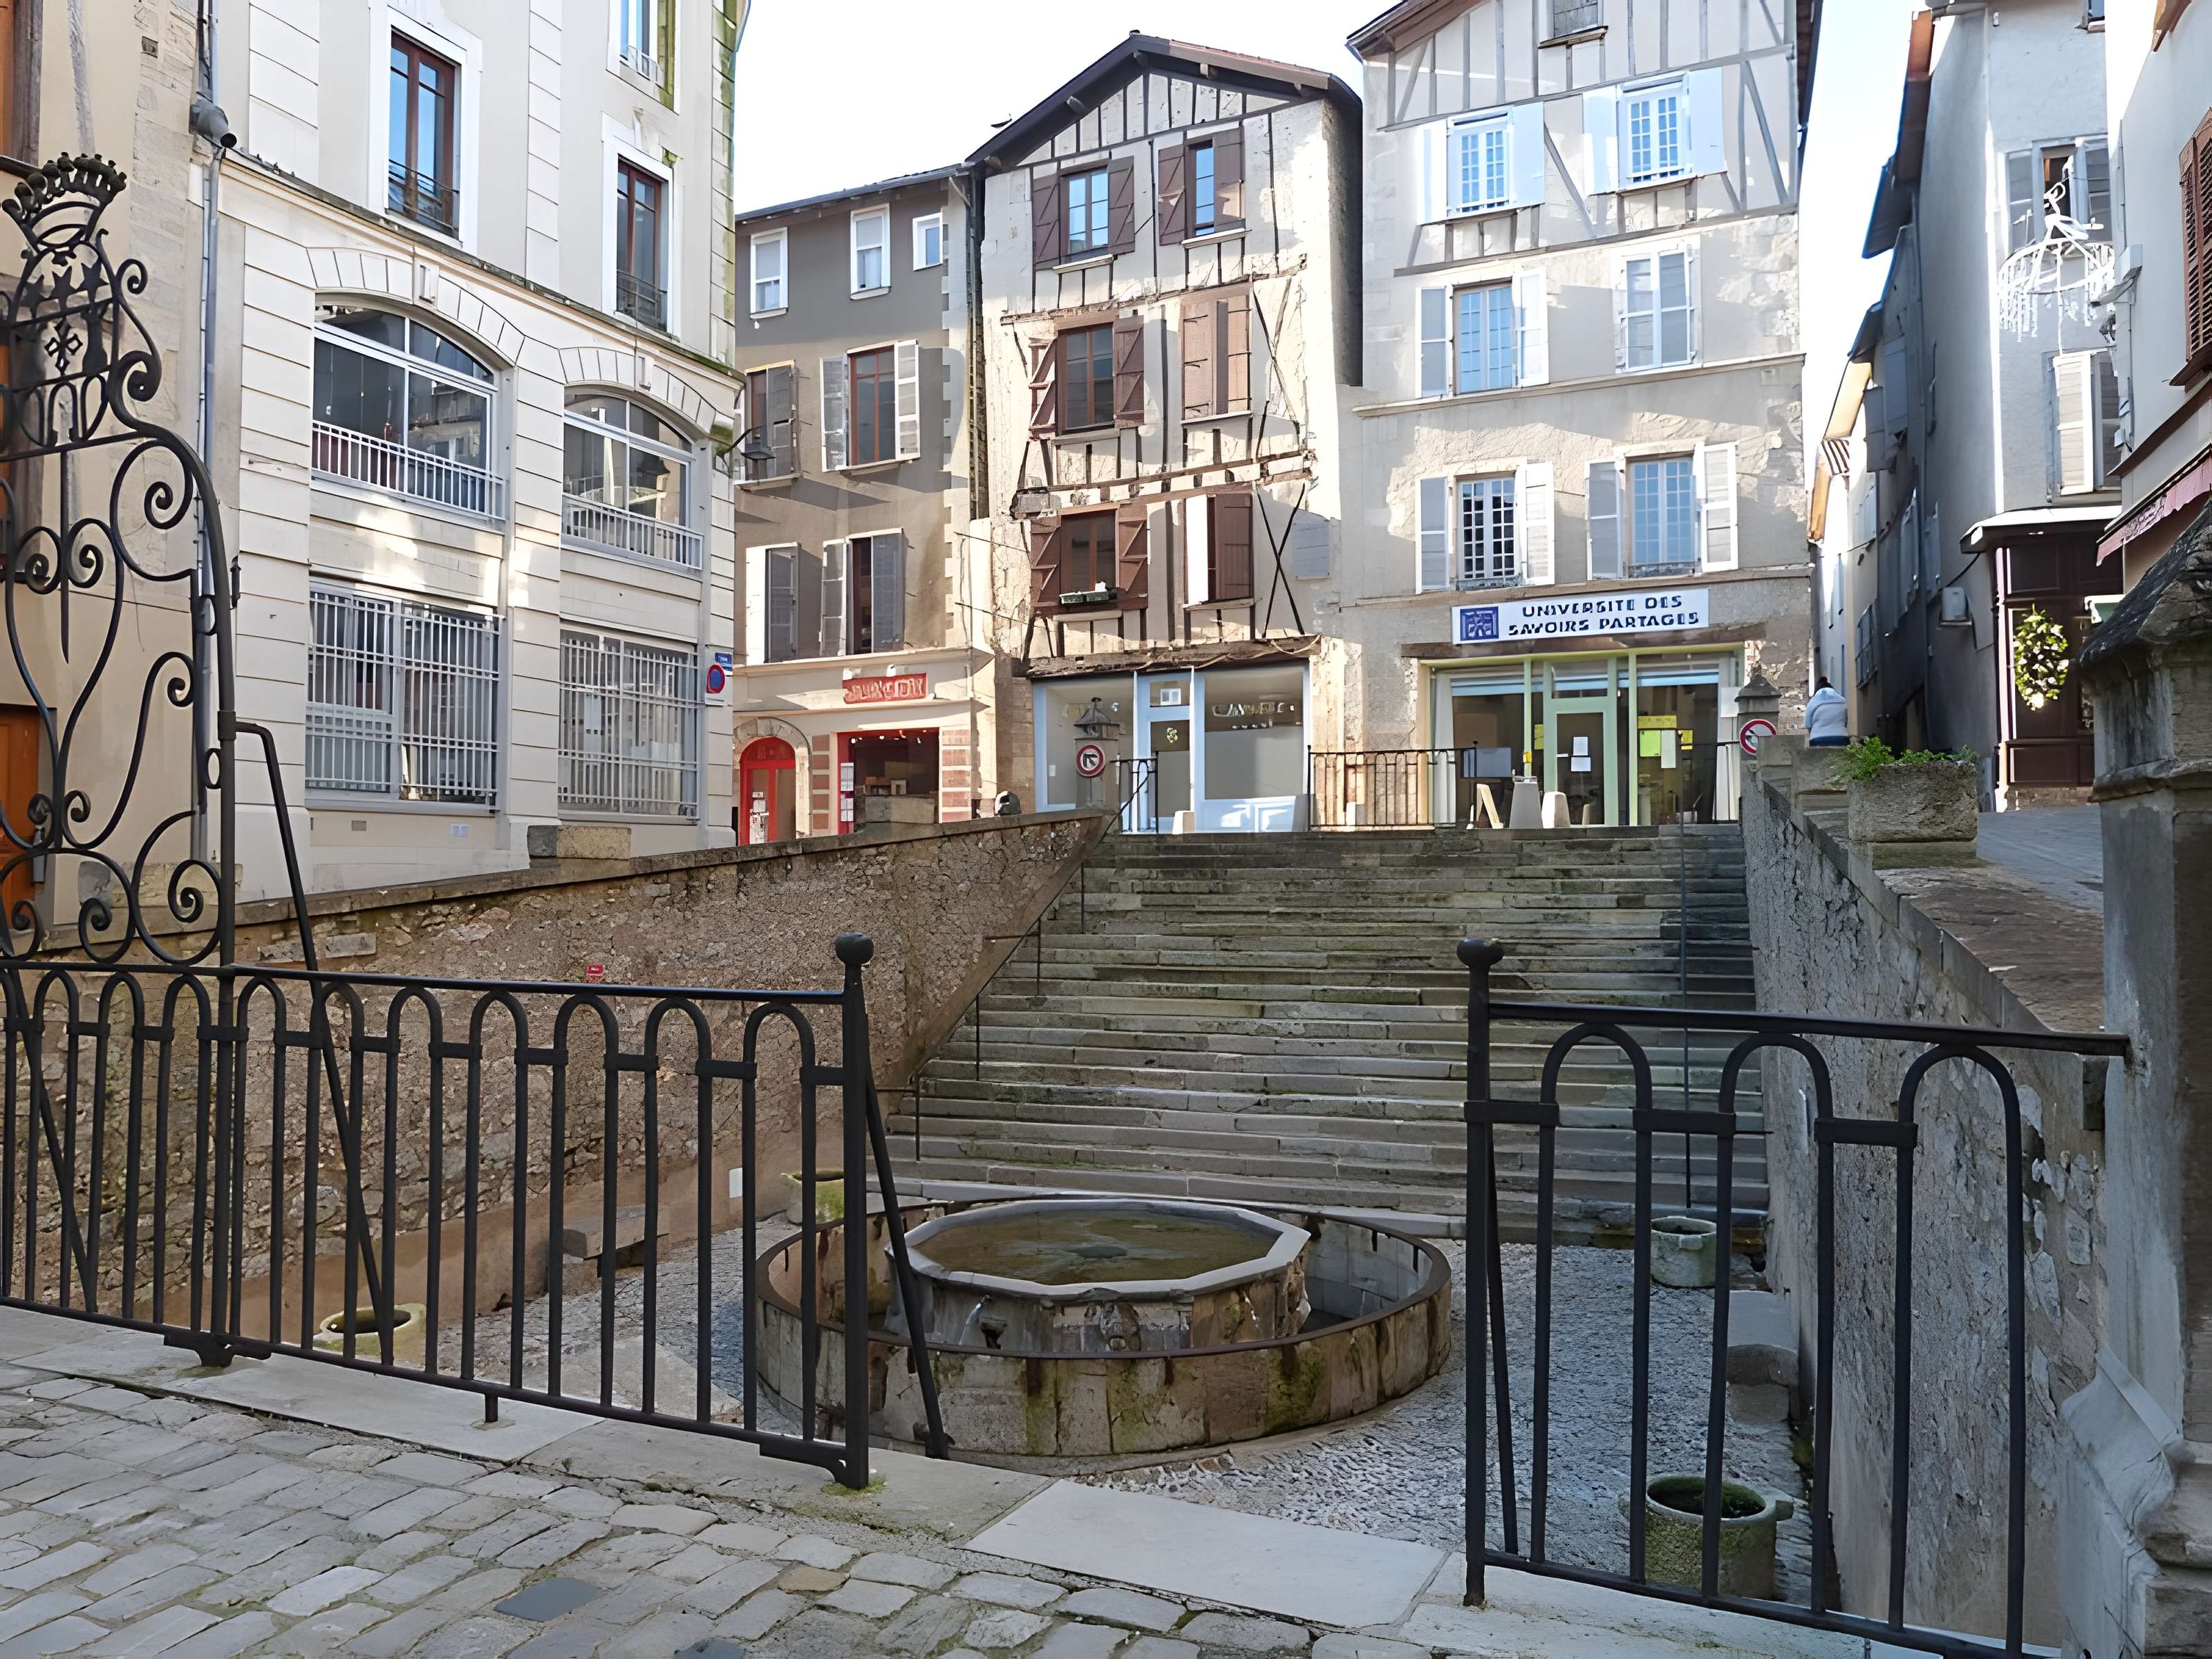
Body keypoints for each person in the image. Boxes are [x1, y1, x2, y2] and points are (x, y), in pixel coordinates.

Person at [1805, 676, 1848, 747]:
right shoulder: (1843, 700)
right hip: (1841, 738)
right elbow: (1846, 722)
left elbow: (1808, 725)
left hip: (1818, 739)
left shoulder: (1812, 702)